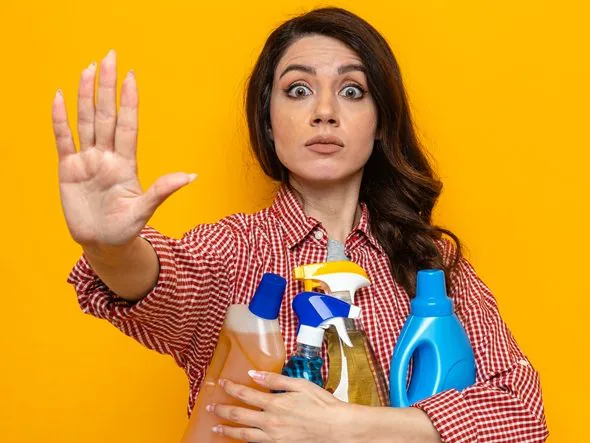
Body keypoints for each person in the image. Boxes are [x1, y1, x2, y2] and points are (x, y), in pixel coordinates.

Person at [52, 7, 549, 443]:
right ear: (267, 121)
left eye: (352, 90)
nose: (325, 112)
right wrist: (111, 248)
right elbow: (164, 284)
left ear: (380, 124)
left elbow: (522, 412)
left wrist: (349, 427)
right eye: (298, 90)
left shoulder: (430, 264)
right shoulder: (233, 252)